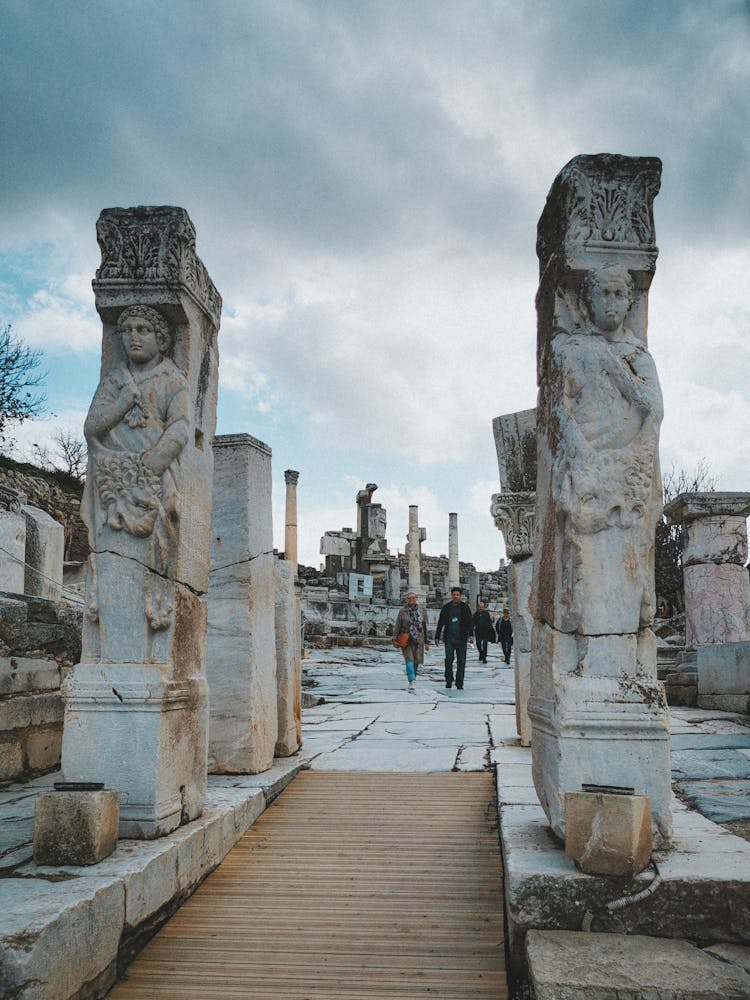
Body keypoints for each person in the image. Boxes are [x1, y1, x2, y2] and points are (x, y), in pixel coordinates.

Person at [435, 587, 474, 689]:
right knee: (449, 660)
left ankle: (459, 682)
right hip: (449, 638)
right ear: (452, 596)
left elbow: (470, 622)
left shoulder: (465, 608)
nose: (456, 596)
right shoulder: (446, 607)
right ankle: (449, 680)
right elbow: (440, 622)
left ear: (460, 596)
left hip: (461, 638)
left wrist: (471, 635)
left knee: (461, 661)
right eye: (454, 595)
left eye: (457, 595)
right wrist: (437, 636)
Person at [393, 591, 429, 692]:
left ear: (416, 599)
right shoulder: (402, 611)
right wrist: (394, 639)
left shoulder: (422, 610)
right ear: (407, 600)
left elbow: (425, 626)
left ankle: (413, 677)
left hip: (419, 639)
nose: (411, 600)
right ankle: (411, 680)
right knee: (409, 659)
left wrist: (427, 641)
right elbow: (398, 625)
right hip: (406, 638)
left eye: (413, 598)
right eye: (409, 598)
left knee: (417, 660)